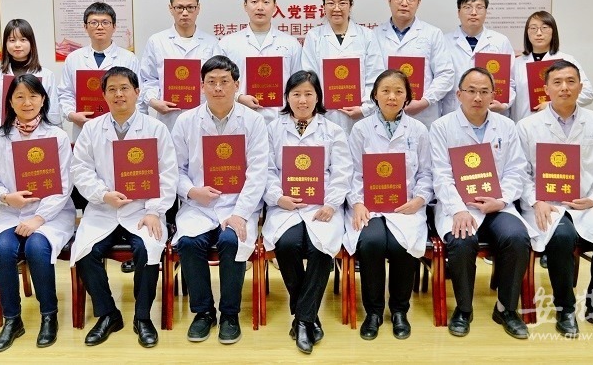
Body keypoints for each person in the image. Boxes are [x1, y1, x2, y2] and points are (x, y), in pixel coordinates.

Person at [69, 67, 178, 348]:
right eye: (112, 89)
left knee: (147, 248)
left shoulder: (156, 129)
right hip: (103, 209)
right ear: (104, 95)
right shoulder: (92, 129)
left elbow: (168, 174)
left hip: (142, 209)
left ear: (137, 92)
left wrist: (154, 210)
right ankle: (108, 314)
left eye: (125, 88)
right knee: (86, 251)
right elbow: (80, 170)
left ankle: (142, 317)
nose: (119, 94)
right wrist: (103, 194)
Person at [516, 60, 593, 338]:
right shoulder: (527, 126)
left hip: (584, 203)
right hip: (545, 205)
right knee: (561, 237)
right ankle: (565, 309)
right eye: (557, 82)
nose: (564, 87)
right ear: (546, 89)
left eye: (570, 81)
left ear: (580, 86)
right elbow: (519, 172)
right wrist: (536, 200)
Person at [429, 67, 536, 339]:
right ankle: (464, 309)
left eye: (484, 92)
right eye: (471, 91)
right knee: (462, 240)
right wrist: (458, 209)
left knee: (517, 237)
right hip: (459, 206)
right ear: (459, 94)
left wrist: (501, 200)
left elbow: (517, 170)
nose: (477, 97)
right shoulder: (442, 127)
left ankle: (506, 309)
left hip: (497, 204)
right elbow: (440, 175)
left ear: (493, 95)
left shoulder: (506, 126)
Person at [171, 55, 268, 345]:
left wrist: (240, 213)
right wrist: (192, 191)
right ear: (201, 86)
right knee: (189, 243)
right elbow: (174, 169)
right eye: (211, 82)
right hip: (199, 204)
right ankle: (203, 312)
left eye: (224, 81)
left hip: (239, 203)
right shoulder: (186, 121)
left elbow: (258, 172)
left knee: (231, 241)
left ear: (237, 85)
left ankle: (229, 314)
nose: (217, 88)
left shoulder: (253, 121)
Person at [0, 74, 75, 352]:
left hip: (51, 214)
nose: (27, 102)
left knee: (36, 247)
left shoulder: (56, 136)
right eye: (19, 96)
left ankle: (49, 315)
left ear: (43, 100)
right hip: (11, 212)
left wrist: (38, 218)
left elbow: (64, 185)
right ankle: (12, 320)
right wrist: (6, 197)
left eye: (33, 96)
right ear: (9, 102)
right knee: (1, 249)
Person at [262, 70, 352, 354]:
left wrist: (331, 204)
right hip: (285, 205)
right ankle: (309, 317)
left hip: (322, 206)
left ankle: (301, 320)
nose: (302, 100)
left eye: (308, 94)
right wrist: (278, 197)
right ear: (287, 97)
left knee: (320, 247)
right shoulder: (272, 129)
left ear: (318, 97)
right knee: (287, 244)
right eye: (296, 94)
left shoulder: (333, 131)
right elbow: (266, 169)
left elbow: (342, 172)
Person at [345, 69, 434, 341]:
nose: (392, 97)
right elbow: (352, 172)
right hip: (369, 207)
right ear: (375, 95)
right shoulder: (361, 129)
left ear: (407, 97)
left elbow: (426, 173)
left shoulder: (418, 130)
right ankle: (373, 312)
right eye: (385, 91)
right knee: (371, 242)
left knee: (400, 245)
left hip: (406, 206)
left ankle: (399, 310)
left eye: (398, 91)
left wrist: (419, 199)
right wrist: (357, 203)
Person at [302, 0, 385, 134]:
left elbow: (375, 76)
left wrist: (365, 108)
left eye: (342, 3)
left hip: (361, 116)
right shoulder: (314, 36)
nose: (336, 8)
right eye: (331, 3)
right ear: (323, 6)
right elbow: (309, 76)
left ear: (350, 5)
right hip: (325, 114)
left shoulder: (366, 35)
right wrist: (319, 105)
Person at [374, 0, 455, 128]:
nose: (404, 3)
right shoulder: (375, 35)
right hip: (384, 112)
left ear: (419, 2)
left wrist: (425, 101)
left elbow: (446, 74)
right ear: (389, 0)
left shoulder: (433, 34)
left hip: (422, 115)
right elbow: (370, 76)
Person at [219, 0, 302, 124]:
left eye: (266, 2)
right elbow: (219, 82)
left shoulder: (291, 44)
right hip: (240, 117)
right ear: (245, 6)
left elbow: (299, 84)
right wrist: (239, 97)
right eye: (254, 1)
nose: (260, 7)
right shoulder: (227, 44)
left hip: (281, 119)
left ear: (275, 7)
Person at [57, 1, 142, 143]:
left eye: (105, 22)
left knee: (119, 156)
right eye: (94, 23)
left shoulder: (128, 58)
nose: (100, 27)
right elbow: (65, 93)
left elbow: (138, 94)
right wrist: (71, 115)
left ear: (114, 27)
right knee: (86, 156)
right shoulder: (73, 58)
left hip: (121, 127)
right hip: (84, 126)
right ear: (85, 27)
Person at [140, 0, 220, 131]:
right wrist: (153, 101)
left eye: (190, 7)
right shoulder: (157, 41)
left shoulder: (212, 43)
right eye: (179, 8)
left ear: (198, 8)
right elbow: (148, 79)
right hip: (169, 117)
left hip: (203, 115)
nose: (185, 13)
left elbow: (217, 81)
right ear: (171, 8)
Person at [0, 19, 61, 131]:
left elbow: (53, 111)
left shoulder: (47, 75)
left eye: (23, 40)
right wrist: (2, 130)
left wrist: (45, 133)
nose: (17, 45)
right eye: (12, 40)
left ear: (31, 43)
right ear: (5, 44)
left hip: (40, 135)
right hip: (6, 135)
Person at [442, 0, 516, 116]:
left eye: (479, 7)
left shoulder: (500, 41)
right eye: (467, 7)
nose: (473, 12)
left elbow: (511, 81)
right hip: (454, 111)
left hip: (492, 112)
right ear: (458, 12)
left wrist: (504, 104)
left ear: (486, 12)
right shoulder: (444, 41)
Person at [510, 11, 593, 122]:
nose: (539, 33)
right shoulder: (516, 63)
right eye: (533, 28)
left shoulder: (566, 60)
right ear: (527, 32)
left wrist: (553, 104)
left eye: (544, 28)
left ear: (553, 31)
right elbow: (509, 95)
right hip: (523, 123)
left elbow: (588, 93)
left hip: (559, 122)